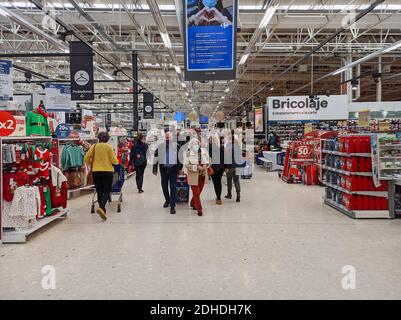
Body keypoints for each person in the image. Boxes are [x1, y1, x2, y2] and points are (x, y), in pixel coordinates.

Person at [84, 131, 119, 221]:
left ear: (99, 138)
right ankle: (101, 207)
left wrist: (90, 164)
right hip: (107, 171)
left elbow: (86, 158)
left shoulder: (94, 147)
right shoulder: (109, 147)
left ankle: (102, 210)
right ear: (107, 139)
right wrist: (117, 163)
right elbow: (114, 161)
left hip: (96, 171)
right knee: (107, 191)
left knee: (99, 191)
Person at [153, 131, 183, 215]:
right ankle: (167, 200)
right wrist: (154, 169)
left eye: (169, 137)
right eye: (166, 137)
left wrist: (180, 168)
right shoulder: (160, 146)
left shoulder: (177, 146)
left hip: (173, 169)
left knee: (173, 187)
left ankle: (172, 206)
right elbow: (155, 157)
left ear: (172, 138)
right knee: (164, 186)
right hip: (163, 169)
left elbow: (181, 158)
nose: (167, 139)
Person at [184, 137, 210, 216]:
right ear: (191, 145)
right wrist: (196, 167)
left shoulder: (204, 151)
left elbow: (209, 160)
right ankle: (199, 209)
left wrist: (206, 164)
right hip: (193, 175)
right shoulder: (187, 153)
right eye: (194, 144)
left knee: (199, 191)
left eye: (197, 144)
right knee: (195, 192)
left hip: (202, 175)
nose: (196, 145)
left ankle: (192, 202)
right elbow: (186, 165)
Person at [224, 133, 244, 203]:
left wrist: (226, 166)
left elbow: (226, 158)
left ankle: (229, 194)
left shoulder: (228, 147)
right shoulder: (238, 147)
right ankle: (238, 195)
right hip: (237, 166)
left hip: (230, 166)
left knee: (229, 180)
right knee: (236, 180)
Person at [209, 135, 225, 205]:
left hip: (213, 167)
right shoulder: (221, 147)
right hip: (221, 167)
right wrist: (225, 167)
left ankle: (218, 198)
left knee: (215, 183)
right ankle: (218, 197)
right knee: (219, 181)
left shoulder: (209, 148)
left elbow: (208, 158)